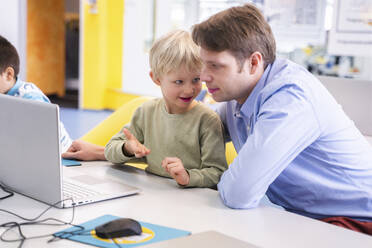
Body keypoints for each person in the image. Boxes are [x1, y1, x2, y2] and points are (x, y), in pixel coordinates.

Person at [191, 3, 372, 234]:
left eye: (216, 66)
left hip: (358, 224)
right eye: (203, 64)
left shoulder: (291, 98)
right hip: (311, 220)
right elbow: (196, 134)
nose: (204, 76)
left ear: (253, 63)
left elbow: (239, 193)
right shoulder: (237, 98)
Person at [104, 30, 227, 188]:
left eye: (196, 79)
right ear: (156, 78)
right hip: (153, 194)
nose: (189, 90)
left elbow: (217, 172)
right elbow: (110, 151)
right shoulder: (146, 112)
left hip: (192, 200)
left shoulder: (208, 120)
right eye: (179, 82)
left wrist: (188, 177)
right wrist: (127, 148)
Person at [0, 35, 72, 153]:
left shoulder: (31, 99)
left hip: (62, 158)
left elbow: (44, 142)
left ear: (8, 74)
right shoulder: (4, 93)